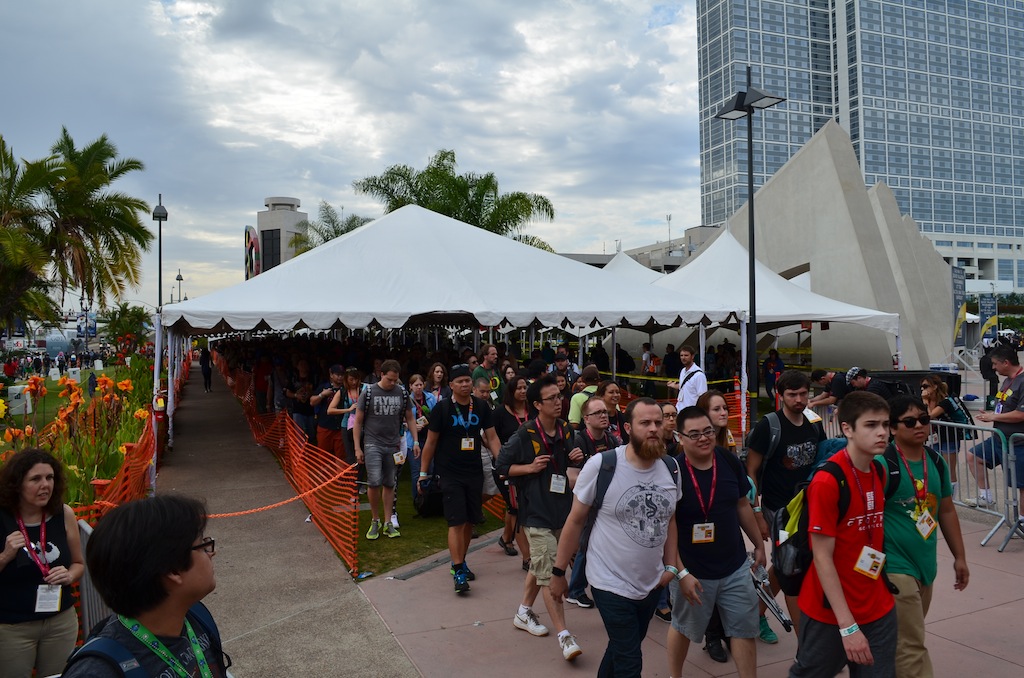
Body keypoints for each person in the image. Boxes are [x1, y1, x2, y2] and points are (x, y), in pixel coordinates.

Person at [550, 397, 683, 677]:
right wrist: (558, 572)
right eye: (645, 423)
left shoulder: (671, 467)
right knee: (630, 660)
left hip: (651, 583)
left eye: (658, 423)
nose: (654, 429)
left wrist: (671, 566)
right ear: (626, 428)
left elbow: (669, 518)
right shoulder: (602, 466)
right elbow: (575, 521)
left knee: (625, 646)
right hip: (608, 581)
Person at [62, 495, 230, 678]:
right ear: (173, 569)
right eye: (204, 546)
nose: (212, 553)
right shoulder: (97, 672)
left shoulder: (196, 619)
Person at [789, 391, 896, 678]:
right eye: (871, 425)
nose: (882, 432)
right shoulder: (828, 481)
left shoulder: (879, 471)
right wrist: (847, 626)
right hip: (831, 612)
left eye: (886, 424)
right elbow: (822, 557)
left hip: (877, 605)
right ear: (847, 428)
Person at [667, 406, 765, 678]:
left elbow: (741, 504)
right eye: (694, 434)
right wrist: (681, 573)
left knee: (743, 629)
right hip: (692, 571)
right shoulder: (672, 471)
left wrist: (758, 544)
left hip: (734, 566)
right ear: (680, 437)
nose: (703, 438)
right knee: (684, 627)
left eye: (708, 431)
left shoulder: (727, 459)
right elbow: (666, 529)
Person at [495, 375, 585, 661]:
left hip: (562, 513)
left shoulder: (567, 431)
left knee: (540, 564)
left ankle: (523, 612)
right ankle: (564, 636)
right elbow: (501, 467)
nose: (559, 402)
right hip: (535, 515)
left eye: (561, 396)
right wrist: (529, 467)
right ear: (537, 404)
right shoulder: (525, 434)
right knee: (551, 577)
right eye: (552, 398)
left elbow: (571, 467)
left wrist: (576, 457)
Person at [883, 395, 969, 678]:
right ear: (893, 428)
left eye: (924, 419)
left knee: (904, 637)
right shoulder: (884, 464)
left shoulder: (936, 460)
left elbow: (945, 510)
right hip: (894, 567)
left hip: (925, 567)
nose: (919, 425)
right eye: (910, 421)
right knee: (912, 645)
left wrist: (960, 557)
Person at [745, 369, 825, 643]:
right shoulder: (769, 426)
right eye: (792, 394)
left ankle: (755, 613)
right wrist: (758, 515)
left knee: (783, 567)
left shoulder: (814, 422)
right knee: (789, 568)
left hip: (809, 508)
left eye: (804, 393)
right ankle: (807, 644)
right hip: (778, 512)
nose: (799, 399)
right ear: (781, 396)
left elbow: (822, 461)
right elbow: (751, 472)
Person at [0, 448, 84, 678]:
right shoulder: (3, 518)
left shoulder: (63, 514)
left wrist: (70, 575)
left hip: (60, 622)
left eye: (50, 478)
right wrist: (6, 554)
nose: (45, 485)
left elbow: (78, 563)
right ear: (17, 484)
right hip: (12, 627)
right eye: (35, 479)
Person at [418, 364, 502, 593]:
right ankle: (457, 570)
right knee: (456, 521)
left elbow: (492, 437)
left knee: (468, 521)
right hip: (450, 473)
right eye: (460, 381)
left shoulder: (482, 407)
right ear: (451, 385)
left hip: (474, 471)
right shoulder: (442, 409)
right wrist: (423, 473)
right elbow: (431, 443)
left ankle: (461, 561)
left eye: (468, 381)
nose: (465, 384)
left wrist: (502, 462)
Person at [564, 395, 620, 610]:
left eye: (605, 412)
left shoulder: (611, 440)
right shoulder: (579, 441)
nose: (603, 416)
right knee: (586, 545)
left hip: (607, 502)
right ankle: (576, 590)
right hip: (587, 503)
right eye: (598, 413)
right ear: (586, 418)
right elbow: (572, 479)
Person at [353, 359, 419, 540]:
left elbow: (410, 418)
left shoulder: (402, 393)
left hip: (394, 444)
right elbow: (358, 421)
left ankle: (388, 521)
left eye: (395, 380)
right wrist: (357, 448)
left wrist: (415, 441)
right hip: (372, 443)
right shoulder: (368, 393)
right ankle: (375, 520)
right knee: (374, 482)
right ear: (381, 375)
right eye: (389, 379)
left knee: (390, 483)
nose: (392, 383)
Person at [966, 344, 1024, 513]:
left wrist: (994, 417)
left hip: (1018, 443)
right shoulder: (1007, 380)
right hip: (1000, 439)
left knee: (1021, 485)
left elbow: (1021, 414)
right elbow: (1006, 407)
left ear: (1005, 363)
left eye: (995, 364)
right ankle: (986, 497)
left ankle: (1021, 522)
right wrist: (992, 413)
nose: (993, 367)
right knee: (973, 456)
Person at [491, 373, 532, 567]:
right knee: (517, 508)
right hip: (506, 468)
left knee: (514, 507)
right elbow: (490, 437)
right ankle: (527, 557)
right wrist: (501, 460)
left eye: (525, 388)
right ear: (511, 391)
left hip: (528, 467)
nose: (523, 391)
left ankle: (506, 538)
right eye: (519, 388)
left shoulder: (533, 410)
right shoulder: (500, 413)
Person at [919, 373, 964, 491]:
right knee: (935, 466)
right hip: (936, 436)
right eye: (922, 387)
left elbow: (930, 416)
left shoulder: (946, 401)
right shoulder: (929, 401)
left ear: (935, 387)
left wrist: (925, 401)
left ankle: (952, 498)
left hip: (950, 437)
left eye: (926, 386)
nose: (923, 389)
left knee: (949, 469)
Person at [406, 374, 437, 503]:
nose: (419, 388)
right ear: (411, 387)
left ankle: (430, 499)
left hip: (429, 437)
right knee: (416, 471)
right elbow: (401, 419)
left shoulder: (430, 398)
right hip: (413, 440)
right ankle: (417, 500)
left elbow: (436, 415)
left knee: (431, 469)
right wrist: (410, 426)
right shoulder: (407, 400)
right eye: (416, 385)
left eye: (420, 385)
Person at [312, 364, 345, 460]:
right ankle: (325, 474)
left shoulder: (346, 389)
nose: (340, 377)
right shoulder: (324, 387)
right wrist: (322, 394)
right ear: (331, 375)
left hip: (341, 427)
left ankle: (340, 475)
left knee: (341, 456)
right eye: (337, 374)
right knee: (323, 456)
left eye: (342, 374)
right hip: (325, 426)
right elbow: (312, 402)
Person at [697, 389, 736, 454]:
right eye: (716, 409)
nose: (723, 413)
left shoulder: (727, 434)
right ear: (704, 413)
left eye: (725, 408)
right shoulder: (695, 440)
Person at [670, 345, 707, 410]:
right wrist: (674, 385)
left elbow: (703, 397)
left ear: (692, 356)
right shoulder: (682, 371)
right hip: (679, 410)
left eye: (686, 355)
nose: (683, 358)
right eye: (681, 355)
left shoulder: (699, 375)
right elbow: (685, 387)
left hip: (691, 413)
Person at [597, 380, 628, 445]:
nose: (616, 395)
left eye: (617, 392)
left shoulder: (624, 417)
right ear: (601, 396)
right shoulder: (595, 417)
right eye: (611, 392)